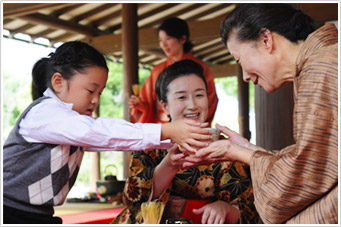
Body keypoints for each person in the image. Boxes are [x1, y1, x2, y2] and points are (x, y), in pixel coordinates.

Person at [2, 41, 213, 224]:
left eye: (100, 92)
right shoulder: (45, 113)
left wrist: (173, 140)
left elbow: (109, 140)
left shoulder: (72, 124)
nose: (96, 100)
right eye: (91, 90)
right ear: (59, 82)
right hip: (9, 211)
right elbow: (101, 132)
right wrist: (167, 130)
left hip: (37, 215)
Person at [188, 3, 338, 224]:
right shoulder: (318, 62)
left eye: (239, 60)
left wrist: (237, 152)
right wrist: (246, 149)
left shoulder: (322, 67)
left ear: (266, 40)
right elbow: (316, 158)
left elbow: (309, 173)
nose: (245, 77)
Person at [112, 59, 260, 224]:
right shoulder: (150, 144)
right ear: (165, 106)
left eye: (199, 95)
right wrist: (169, 164)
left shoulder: (224, 147)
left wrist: (225, 209)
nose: (192, 105)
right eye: (182, 97)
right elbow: (133, 198)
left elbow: (248, 209)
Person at [129, 17, 218, 125]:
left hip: (192, 124)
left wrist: (197, 123)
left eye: (168, 38)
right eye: (161, 41)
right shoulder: (156, 71)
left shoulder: (201, 68)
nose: (163, 44)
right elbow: (148, 104)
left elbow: (211, 101)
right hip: (163, 129)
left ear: (183, 39)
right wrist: (141, 106)